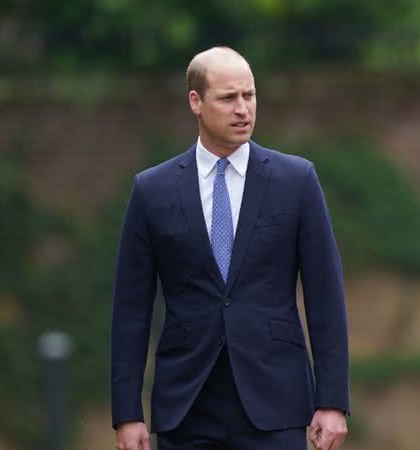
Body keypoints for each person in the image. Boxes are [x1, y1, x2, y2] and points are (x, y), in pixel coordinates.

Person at [111, 47, 349, 450]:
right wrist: (128, 413)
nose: (243, 109)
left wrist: (332, 402)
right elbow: (130, 310)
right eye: (228, 98)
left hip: (276, 402)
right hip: (186, 406)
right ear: (196, 102)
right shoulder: (152, 190)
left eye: (250, 95)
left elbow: (326, 297)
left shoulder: (297, 180)